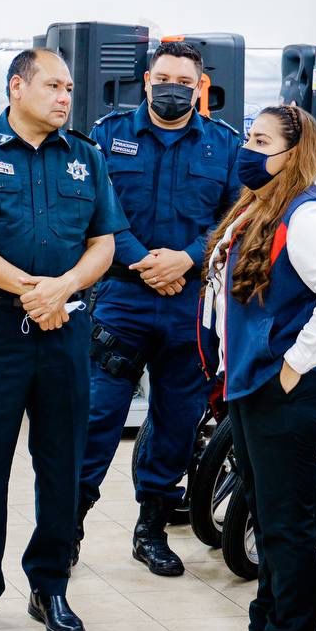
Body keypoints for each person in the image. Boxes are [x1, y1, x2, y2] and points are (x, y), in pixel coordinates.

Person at [0, 48, 127, 631]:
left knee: (62, 465)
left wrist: (62, 287)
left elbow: (105, 243)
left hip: (64, 332)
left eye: (70, 88)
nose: (66, 97)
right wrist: (27, 289)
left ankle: (50, 586)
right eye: (54, 86)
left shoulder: (86, 158)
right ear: (17, 87)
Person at [206, 105, 316, 631]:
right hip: (253, 384)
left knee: (287, 525)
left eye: (262, 139)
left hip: (288, 390)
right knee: (265, 516)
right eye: (249, 135)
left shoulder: (307, 215)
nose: (249, 147)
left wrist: (294, 366)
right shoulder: (260, 205)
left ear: (293, 153)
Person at [78, 40, 243, 575]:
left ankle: (150, 528)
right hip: (121, 301)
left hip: (189, 309)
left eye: (183, 80)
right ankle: (69, 527)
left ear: (199, 87)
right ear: (147, 82)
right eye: (162, 77)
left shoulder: (225, 147)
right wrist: (145, 262)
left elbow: (235, 220)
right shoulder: (107, 137)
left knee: (176, 420)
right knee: (97, 416)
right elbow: (97, 211)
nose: (172, 87)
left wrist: (187, 259)